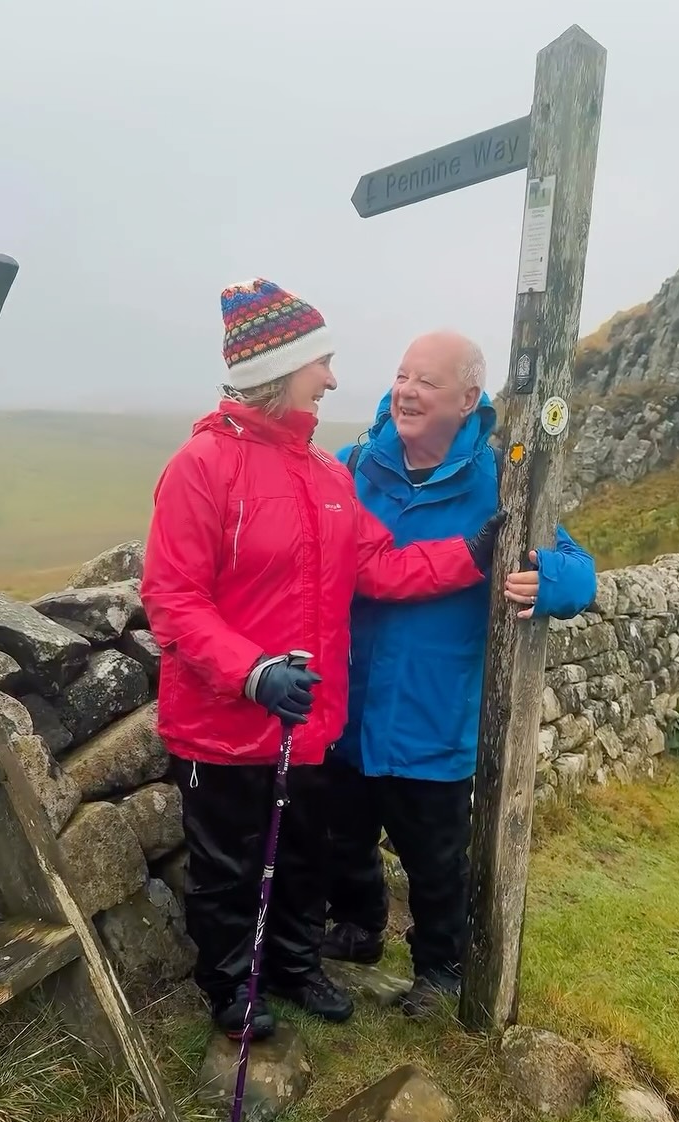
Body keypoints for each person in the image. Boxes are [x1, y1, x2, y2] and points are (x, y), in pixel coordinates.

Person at [141, 284, 506, 1042]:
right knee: (228, 868)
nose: (337, 379)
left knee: (307, 856)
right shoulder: (202, 467)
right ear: (282, 368)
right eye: (324, 363)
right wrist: (253, 672)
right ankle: (234, 987)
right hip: (223, 720)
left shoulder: (328, 476)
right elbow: (173, 600)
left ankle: (298, 967)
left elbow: (379, 566)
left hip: (306, 725)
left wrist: (471, 556)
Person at [322, 331, 597, 1016]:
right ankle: (359, 929)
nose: (407, 391)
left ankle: (438, 969)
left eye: (427, 382)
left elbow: (576, 569)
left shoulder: (501, 482)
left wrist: (553, 581)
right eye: (401, 375)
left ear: (469, 399)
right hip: (347, 707)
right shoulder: (353, 464)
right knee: (341, 833)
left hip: (433, 716)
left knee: (437, 862)